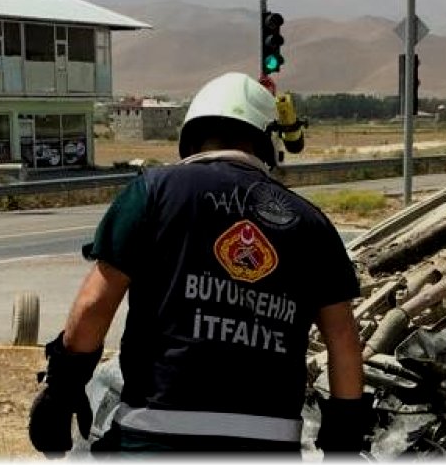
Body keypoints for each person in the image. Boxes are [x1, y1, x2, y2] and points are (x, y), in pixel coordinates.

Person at [28, 72, 371, 455]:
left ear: (191, 135)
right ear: (266, 140)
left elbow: (94, 307)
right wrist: (345, 443)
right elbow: (342, 338)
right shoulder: (311, 223)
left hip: (156, 438)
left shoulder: (153, 193)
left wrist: (62, 391)